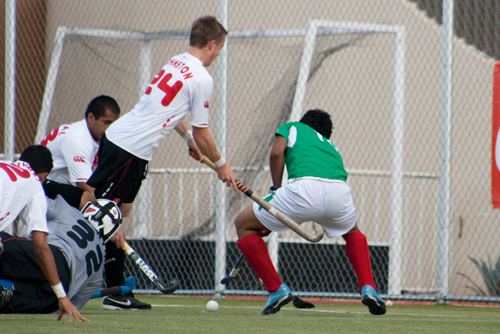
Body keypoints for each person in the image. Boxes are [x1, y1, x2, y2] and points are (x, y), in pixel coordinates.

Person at [86, 15, 237, 310]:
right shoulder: (202, 78)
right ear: (212, 44)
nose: (218, 54)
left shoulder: (177, 61)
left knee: (119, 212)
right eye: (220, 48)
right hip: (129, 150)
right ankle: (104, 287)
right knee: (105, 213)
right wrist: (221, 164)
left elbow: (169, 110)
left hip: (121, 140)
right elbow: (205, 134)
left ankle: (112, 285)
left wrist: (187, 139)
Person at [233, 109, 387, 316]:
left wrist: (276, 191)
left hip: (303, 189)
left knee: (243, 224)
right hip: (339, 193)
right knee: (352, 232)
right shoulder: (331, 145)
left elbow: (276, 153)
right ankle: (369, 287)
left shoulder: (291, 127)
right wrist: (271, 219)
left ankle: (276, 290)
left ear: (304, 122)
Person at [0, 145, 88, 321]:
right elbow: (41, 248)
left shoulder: (4, 165)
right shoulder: (35, 185)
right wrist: (61, 296)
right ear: (44, 175)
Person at [0, 195, 119, 314]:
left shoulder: (68, 211)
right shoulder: (100, 262)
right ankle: (8, 294)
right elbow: (73, 305)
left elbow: (32, 202)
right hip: (56, 295)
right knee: (9, 298)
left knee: (3, 245)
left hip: (51, 258)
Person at [41, 95, 121, 210]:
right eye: (106, 122)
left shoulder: (98, 138)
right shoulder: (77, 138)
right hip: (42, 188)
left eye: (114, 123)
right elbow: (86, 185)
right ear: (91, 118)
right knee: (96, 204)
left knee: (105, 205)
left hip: (56, 188)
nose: (111, 128)